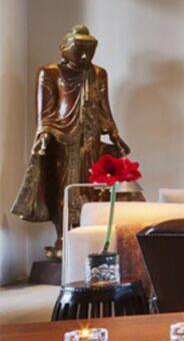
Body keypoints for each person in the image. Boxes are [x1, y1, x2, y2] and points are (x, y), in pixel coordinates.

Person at [9, 25, 131, 255]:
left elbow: (104, 109)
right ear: (64, 49)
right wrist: (44, 134)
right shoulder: (50, 72)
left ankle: (88, 237)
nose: (85, 56)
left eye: (90, 51)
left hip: (91, 138)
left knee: (92, 188)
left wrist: (114, 133)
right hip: (61, 138)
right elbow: (45, 112)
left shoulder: (98, 73)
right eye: (79, 50)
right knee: (63, 188)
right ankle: (63, 238)